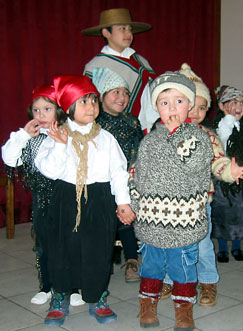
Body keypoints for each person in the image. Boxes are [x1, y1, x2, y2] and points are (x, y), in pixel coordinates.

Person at [35, 75, 135, 326]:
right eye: (83, 102)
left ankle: (97, 296)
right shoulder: (56, 135)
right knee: (61, 248)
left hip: (100, 198)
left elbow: (118, 171)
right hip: (66, 197)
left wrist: (123, 202)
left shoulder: (106, 138)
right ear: (67, 108)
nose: (91, 107)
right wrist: (59, 145)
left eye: (93, 101)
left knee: (98, 249)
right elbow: (50, 171)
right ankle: (59, 296)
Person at [128, 71, 213, 330]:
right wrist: (132, 204)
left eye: (179, 101)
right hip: (152, 221)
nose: (172, 108)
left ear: (189, 104)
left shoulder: (198, 137)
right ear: (156, 108)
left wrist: (178, 133)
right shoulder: (149, 141)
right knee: (151, 266)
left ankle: (184, 310)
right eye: (165, 103)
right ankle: (147, 304)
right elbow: (138, 175)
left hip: (184, 223)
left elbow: (197, 163)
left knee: (183, 268)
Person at [159, 64, 243, 307]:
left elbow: (219, 162)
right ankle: (168, 278)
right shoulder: (161, 134)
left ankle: (207, 281)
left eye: (202, 107)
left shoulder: (209, 136)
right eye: (190, 104)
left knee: (203, 246)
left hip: (199, 204)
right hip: (169, 204)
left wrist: (231, 170)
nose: (195, 111)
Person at [1, 85, 70, 305]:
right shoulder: (30, 139)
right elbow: (10, 159)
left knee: (70, 242)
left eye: (47, 109)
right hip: (42, 200)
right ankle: (47, 285)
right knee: (43, 244)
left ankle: (74, 286)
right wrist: (22, 136)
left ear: (58, 110)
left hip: (68, 197)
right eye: (36, 110)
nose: (40, 115)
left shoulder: (68, 133)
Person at [92, 67, 144, 282]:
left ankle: (131, 259)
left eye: (125, 92)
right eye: (116, 92)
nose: (122, 97)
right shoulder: (93, 123)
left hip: (127, 179)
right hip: (99, 181)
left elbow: (141, 151)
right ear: (102, 95)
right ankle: (99, 259)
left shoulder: (132, 121)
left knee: (127, 215)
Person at [82, 8, 158, 132]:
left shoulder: (141, 61)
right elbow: (88, 104)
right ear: (106, 33)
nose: (128, 34)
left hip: (147, 128)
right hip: (109, 131)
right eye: (122, 29)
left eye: (130, 29)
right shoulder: (96, 66)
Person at [211, 85, 243, 263]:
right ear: (222, 106)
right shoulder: (221, 125)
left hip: (240, 176)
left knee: (239, 211)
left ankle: (237, 246)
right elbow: (224, 140)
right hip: (222, 177)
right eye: (232, 102)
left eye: (241, 102)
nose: (237, 107)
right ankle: (222, 247)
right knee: (222, 211)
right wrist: (229, 118)